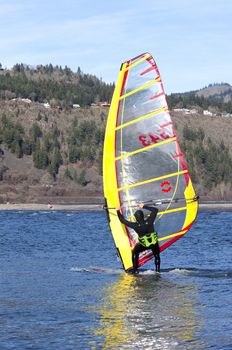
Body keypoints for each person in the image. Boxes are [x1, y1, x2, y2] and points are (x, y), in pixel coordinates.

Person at [117, 203, 160, 274]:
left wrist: (118, 211)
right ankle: (158, 271)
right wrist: (143, 206)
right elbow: (155, 210)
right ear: (143, 216)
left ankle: (134, 270)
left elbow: (123, 221)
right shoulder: (149, 221)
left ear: (136, 218)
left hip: (144, 244)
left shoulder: (135, 225)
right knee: (156, 255)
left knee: (135, 252)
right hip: (153, 243)